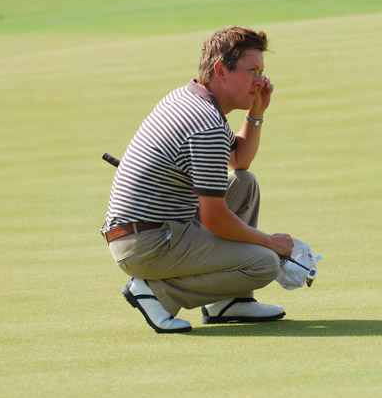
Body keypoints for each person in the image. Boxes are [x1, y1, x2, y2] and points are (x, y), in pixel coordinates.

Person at [101, 26, 293, 333]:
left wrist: (256, 113)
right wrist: (272, 244)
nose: (261, 81)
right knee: (264, 262)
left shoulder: (190, 98)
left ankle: (229, 301)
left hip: (154, 229)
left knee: (244, 183)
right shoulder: (205, 125)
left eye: (262, 72)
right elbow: (215, 218)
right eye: (252, 71)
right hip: (147, 243)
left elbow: (239, 161)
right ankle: (156, 293)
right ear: (221, 70)